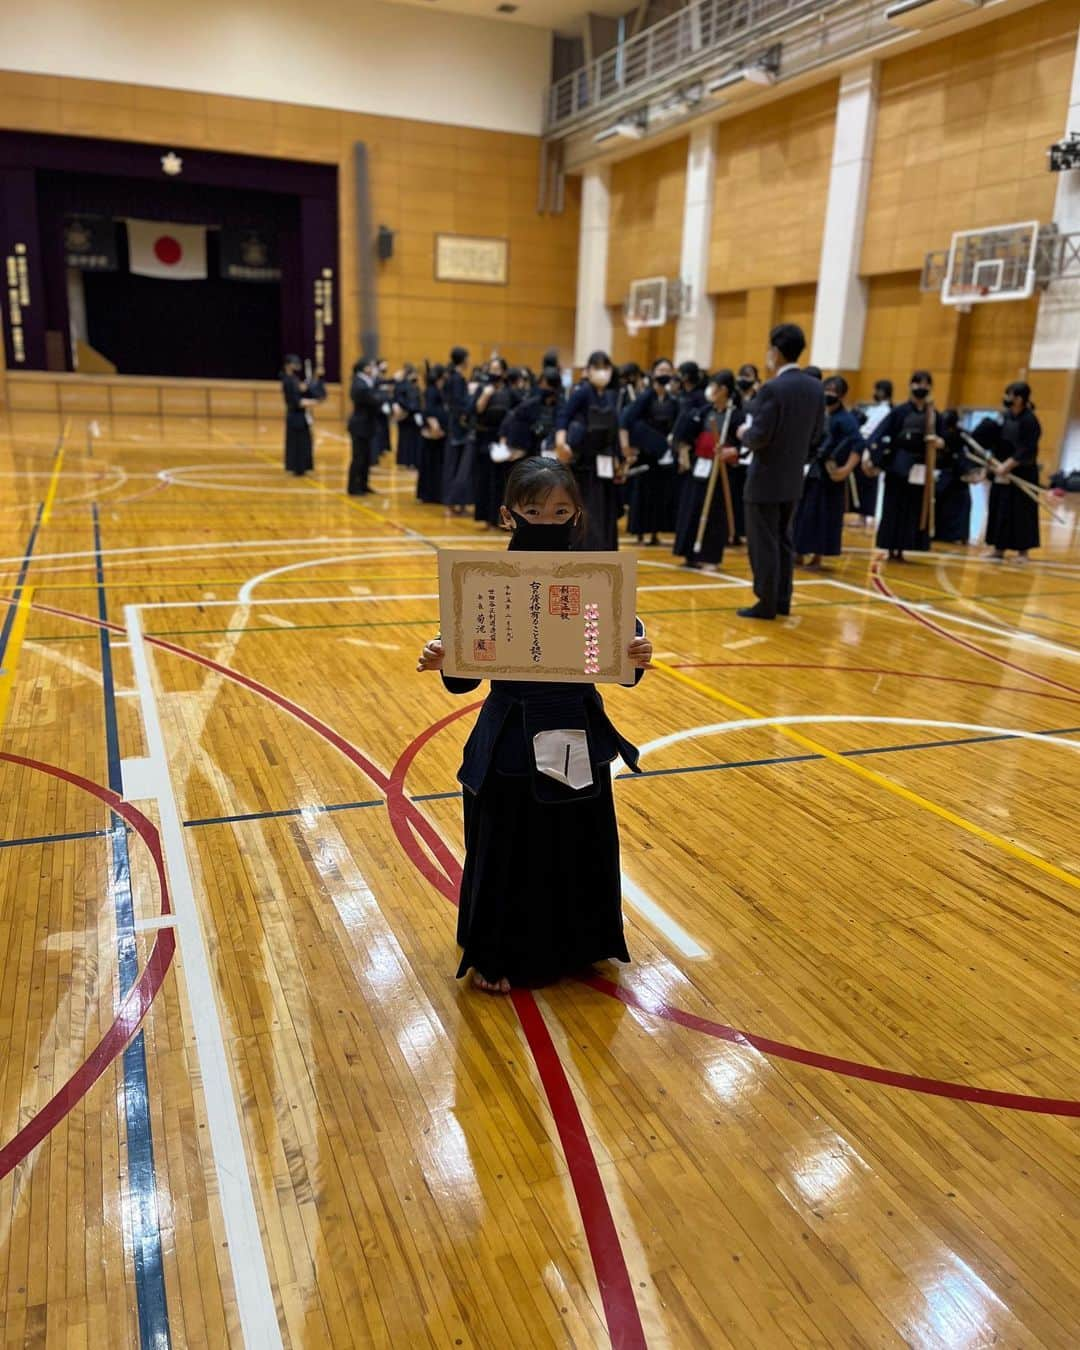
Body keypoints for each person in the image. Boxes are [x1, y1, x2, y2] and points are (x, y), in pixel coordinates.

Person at [415, 458, 653, 993]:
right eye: (532, 511)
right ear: (507, 516)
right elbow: (462, 684)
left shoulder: (596, 580)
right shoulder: (483, 584)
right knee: (507, 845)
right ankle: (497, 951)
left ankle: (582, 943)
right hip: (509, 736)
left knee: (576, 840)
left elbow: (624, 670)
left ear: (578, 516)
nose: (547, 521)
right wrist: (445, 655)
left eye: (561, 511)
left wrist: (636, 650)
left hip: (575, 730)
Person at [736, 324, 825, 619]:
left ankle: (766, 601)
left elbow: (759, 435)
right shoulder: (815, 387)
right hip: (793, 476)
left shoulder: (773, 388)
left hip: (765, 477)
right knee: (784, 540)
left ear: (775, 351)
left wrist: (743, 433)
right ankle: (783, 598)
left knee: (763, 543)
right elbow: (817, 434)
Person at [867, 370, 943, 562]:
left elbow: (945, 441)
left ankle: (906, 546)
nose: (921, 388)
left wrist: (939, 442)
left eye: (926, 384)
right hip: (898, 467)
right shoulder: (899, 412)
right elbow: (880, 435)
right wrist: (875, 460)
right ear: (910, 386)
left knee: (913, 508)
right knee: (894, 507)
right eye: (918, 384)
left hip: (921, 469)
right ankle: (891, 546)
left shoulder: (933, 415)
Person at [672, 368, 743, 571]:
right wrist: (684, 452)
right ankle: (690, 554)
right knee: (692, 508)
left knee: (714, 513)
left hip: (720, 472)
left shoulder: (736, 416)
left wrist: (731, 451)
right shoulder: (704, 412)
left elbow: (743, 447)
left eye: (716, 387)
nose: (711, 390)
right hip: (699, 467)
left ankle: (710, 557)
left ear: (725, 390)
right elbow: (684, 437)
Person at [555, 351, 622, 551]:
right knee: (587, 507)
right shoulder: (582, 392)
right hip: (584, 461)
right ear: (589, 371)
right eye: (597, 368)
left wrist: (618, 459)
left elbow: (614, 429)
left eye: (606, 368)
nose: (602, 373)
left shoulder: (611, 396)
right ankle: (584, 550)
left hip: (605, 461)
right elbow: (563, 417)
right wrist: (561, 442)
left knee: (605, 508)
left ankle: (605, 550)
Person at [793, 375, 862, 567]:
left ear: (841, 396)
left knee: (822, 516)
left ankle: (817, 556)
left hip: (829, 475)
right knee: (802, 513)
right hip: (809, 470)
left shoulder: (846, 420)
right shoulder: (816, 414)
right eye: (826, 390)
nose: (829, 394)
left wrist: (846, 470)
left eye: (834, 391)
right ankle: (798, 552)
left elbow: (858, 444)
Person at [621, 357, 679, 546]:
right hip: (646, 452)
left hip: (664, 454)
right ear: (654, 373)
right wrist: (630, 445)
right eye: (661, 371)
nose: (664, 374)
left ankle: (655, 533)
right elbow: (628, 419)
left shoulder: (673, 400)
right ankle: (640, 533)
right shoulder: (645, 397)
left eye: (667, 371)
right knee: (642, 491)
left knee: (661, 493)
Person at [985, 380, 1041, 560]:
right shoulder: (1004, 417)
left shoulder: (1030, 420)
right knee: (999, 508)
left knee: (1021, 512)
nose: (1007, 399)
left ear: (1021, 399)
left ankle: (1022, 551)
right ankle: (998, 548)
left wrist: (1008, 465)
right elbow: (995, 441)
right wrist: (994, 465)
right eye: (1007, 394)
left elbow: (1027, 448)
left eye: (1011, 395)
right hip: (1001, 472)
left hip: (1022, 471)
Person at [472, 355, 519, 528]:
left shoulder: (511, 392)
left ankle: (503, 519)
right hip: (485, 439)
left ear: (504, 372)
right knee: (485, 479)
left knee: (503, 481)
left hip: (504, 440)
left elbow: (517, 414)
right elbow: (476, 410)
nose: (494, 373)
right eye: (491, 369)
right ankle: (487, 518)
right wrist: (485, 395)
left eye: (497, 369)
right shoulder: (482, 389)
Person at [728, 363, 760, 543]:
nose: (744, 379)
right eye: (742, 375)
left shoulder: (760, 400)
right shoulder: (733, 398)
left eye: (748, 376)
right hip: (732, 452)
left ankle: (743, 531)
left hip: (750, 453)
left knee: (745, 496)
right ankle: (731, 531)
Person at [853, 378, 891, 527]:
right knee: (862, 481)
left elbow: (873, 431)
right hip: (863, 444)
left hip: (871, 447)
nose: (874, 393)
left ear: (883, 392)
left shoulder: (886, 410)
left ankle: (865, 516)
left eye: (877, 390)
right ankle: (861, 515)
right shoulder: (873, 409)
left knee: (868, 482)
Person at [933, 409, 974, 545]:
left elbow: (968, 455)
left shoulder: (962, 436)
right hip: (944, 476)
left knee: (959, 506)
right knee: (942, 504)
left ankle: (958, 535)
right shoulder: (939, 435)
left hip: (957, 477)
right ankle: (940, 532)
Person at [442, 345, 473, 513]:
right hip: (458, 428)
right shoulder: (456, 379)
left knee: (457, 467)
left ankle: (457, 502)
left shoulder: (454, 377)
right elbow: (459, 404)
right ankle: (451, 503)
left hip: (456, 427)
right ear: (463, 359)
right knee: (456, 467)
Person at [346, 357, 380, 496]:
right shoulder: (359, 383)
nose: (372, 369)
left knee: (366, 457)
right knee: (358, 457)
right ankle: (353, 487)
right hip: (360, 425)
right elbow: (372, 399)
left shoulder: (366, 382)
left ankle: (364, 484)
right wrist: (383, 398)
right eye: (370, 366)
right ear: (364, 368)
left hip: (367, 425)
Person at [417, 362, 448, 505]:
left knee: (435, 463)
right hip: (433, 433)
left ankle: (433, 493)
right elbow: (429, 411)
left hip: (437, 432)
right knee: (432, 463)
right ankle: (429, 494)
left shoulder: (436, 389)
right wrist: (435, 428)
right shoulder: (431, 391)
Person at [281, 354, 315, 476]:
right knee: (297, 442)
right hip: (295, 414)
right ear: (288, 365)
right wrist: (312, 402)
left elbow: (301, 389)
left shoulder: (294, 379)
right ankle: (297, 467)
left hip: (301, 415)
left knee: (304, 441)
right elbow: (294, 400)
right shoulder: (287, 380)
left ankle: (304, 466)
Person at [393, 364, 423, 470]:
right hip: (407, 416)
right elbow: (402, 400)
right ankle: (408, 461)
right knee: (407, 439)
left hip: (411, 415)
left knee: (410, 439)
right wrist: (413, 410)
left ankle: (408, 461)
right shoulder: (405, 386)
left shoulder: (414, 386)